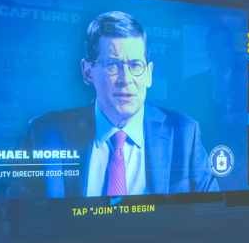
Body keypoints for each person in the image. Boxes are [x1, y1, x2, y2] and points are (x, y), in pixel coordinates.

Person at [20, 11, 219, 197]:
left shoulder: (185, 134)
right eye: (112, 65)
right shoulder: (44, 134)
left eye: (135, 65)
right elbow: (18, 213)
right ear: (88, 72)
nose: (126, 79)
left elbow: (212, 211)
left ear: (149, 74)